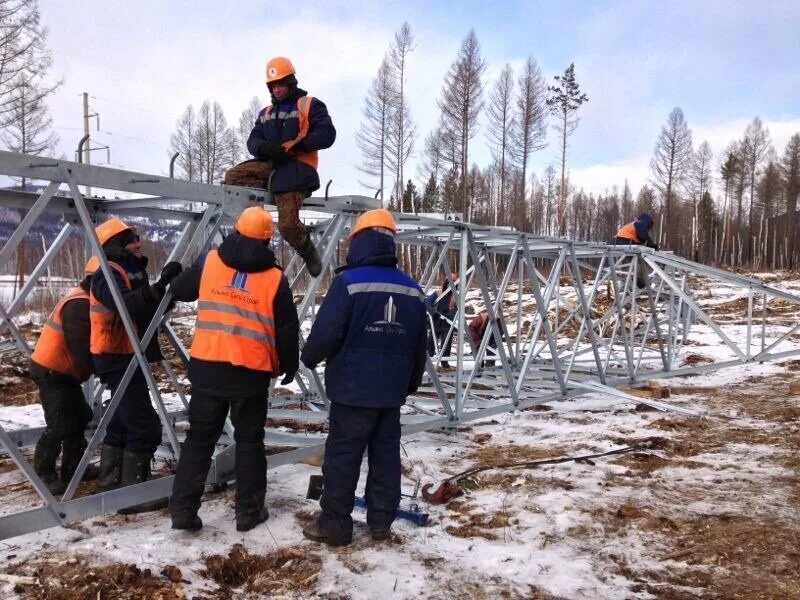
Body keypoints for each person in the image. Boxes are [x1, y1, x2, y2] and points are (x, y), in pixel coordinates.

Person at [300, 208, 427, 546]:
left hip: (352, 390)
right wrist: (409, 383)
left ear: (357, 241)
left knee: (343, 457)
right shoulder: (412, 290)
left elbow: (327, 332)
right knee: (385, 458)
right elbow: (419, 347)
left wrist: (309, 357)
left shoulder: (349, 283)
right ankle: (381, 523)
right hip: (390, 393)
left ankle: (334, 524)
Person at [168, 206, 299, 532]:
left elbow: (181, 290)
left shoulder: (211, 262)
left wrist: (173, 274)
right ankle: (248, 512)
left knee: (199, 440)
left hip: (208, 368)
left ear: (236, 231)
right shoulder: (274, 278)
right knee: (249, 442)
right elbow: (285, 328)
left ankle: (183, 511)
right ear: (268, 241)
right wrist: (290, 363)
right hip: (250, 373)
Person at [90, 218, 183, 513]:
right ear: (116, 245)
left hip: (128, 353)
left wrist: (169, 290)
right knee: (144, 425)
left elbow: (148, 306)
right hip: (116, 355)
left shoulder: (132, 269)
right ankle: (134, 496)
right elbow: (128, 304)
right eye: (132, 239)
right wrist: (156, 288)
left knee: (121, 421)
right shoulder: (106, 274)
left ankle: (110, 483)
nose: (138, 243)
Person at [223, 56, 336, 278]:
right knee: (234, 177)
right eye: (273, 85)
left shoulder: (309, 105)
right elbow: (252, 141)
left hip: (298, 168)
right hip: (273, 165)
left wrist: (298, 146)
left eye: (281, 83)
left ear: (291, 82)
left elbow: (327, 134)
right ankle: (254, 235)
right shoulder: (265, 113)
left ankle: (307, 249)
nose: (277, 89)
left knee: (287, 225)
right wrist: (266, 149)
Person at [30, 260, 98, 494]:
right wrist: (102, 368)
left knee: (80, 417)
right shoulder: (79, 303)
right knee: (59, 424)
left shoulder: (85, 299)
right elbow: (80, 346)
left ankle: (73, 469)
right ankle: (43, 474)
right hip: (52, 371)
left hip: (64, 372)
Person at [614, 213, 659, 288]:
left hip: (619, 242)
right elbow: (643, 236)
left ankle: (628, 281)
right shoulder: (640, 224)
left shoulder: (634, 227)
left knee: (630, 261)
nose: (648, 229)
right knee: (641, 258)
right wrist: (652, 245)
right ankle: (639, 280)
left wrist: (650, 245)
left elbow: (641, 238)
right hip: (625, 241)